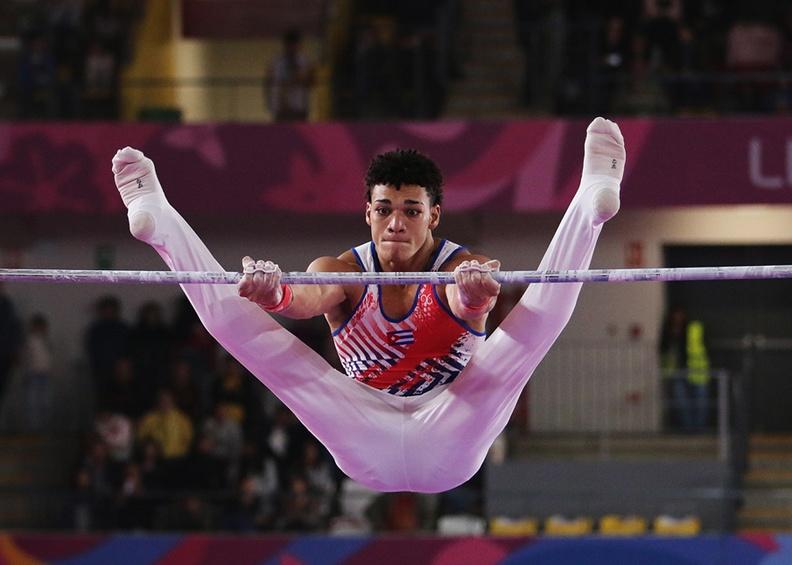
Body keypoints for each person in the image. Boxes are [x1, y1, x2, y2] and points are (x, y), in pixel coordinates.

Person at [111, 116, 625, 492]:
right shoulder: (344, 271)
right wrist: (275, 293)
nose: (396, 222)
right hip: (362, 430)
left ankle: (590, 204)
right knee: (241, 328)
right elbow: (309, 297)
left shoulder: (459, 265)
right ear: (367, 213)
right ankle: (161, 224)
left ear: (435, 216)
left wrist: (473, 295)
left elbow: (466, 302)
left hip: (452, 428)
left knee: (534, 327)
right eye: (384, 209)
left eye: (410, 210)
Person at [660, 304, 711, 432]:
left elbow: (706, 347)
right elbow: (663, 350)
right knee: (682, 404)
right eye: (675, 315)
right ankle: (689, 430)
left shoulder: (694, 329)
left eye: (680, 315)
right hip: (677, 372)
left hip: (697, 371)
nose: (678, 318)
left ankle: (699, 430)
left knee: (701, 403)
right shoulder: (667, 332)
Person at [265, 28, 314, 121]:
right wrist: (270, 104)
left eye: (295, 45)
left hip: (299, 107)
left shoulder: (304, 62)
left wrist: (303, 77)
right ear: (285, 45)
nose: (292, 48)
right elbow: (269, 82)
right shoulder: (276, 62)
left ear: (299, 45)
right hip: (281, 108)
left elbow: (310, 82)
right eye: (290, 45)